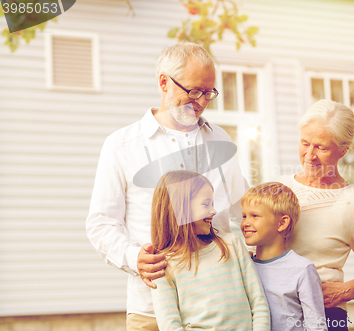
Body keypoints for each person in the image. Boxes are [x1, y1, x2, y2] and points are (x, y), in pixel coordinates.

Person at [86, 42, 248, 331]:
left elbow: (245, 209)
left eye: (209, 92)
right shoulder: (121, 145)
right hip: (153, 309)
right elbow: (101, 223)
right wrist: (134, 258)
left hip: (221, 308)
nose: (202, 101)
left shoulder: (220, 140)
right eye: (194, 91)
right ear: (164, 82)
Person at [277, 99, 354, 331]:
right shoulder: (278, 189)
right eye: (305, 143)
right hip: (276, 308)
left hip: (326, 314)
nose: (309, 155)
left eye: (321, 147)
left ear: (343, 150)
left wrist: (346, 289)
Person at [151, 170, 270, 331]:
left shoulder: (232, 245)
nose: (213, 211)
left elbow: (258, 301)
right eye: (206, 204)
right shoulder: (163, 266)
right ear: (181, 208)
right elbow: (170, 325)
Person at [241, 182, 327, 331]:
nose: (245, 223)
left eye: (255, 216)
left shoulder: (302, 269)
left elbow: (316, 326)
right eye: (244, 216)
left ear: (282, 223)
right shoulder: (243, 266)